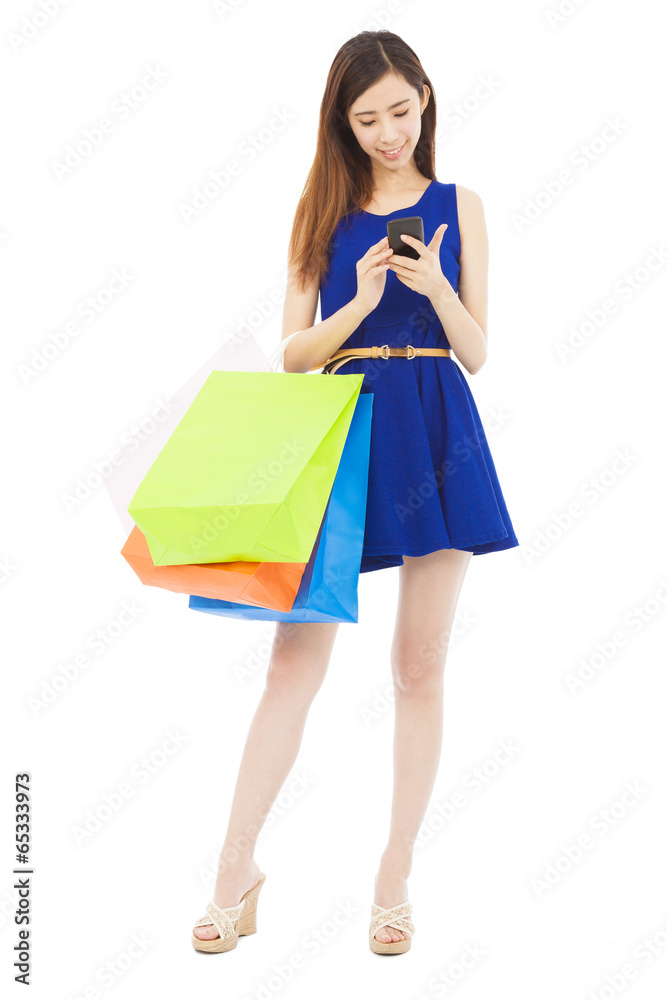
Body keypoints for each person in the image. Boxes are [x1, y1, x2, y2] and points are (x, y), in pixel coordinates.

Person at [192, 28, 519, 956]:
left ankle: (393, 875)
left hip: (437, 426)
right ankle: (233, 870)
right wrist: (361, 305)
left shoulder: (462, 205)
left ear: (424, 96)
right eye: (366, 118)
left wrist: (433, 287)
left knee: (418, 667)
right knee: (291, 666)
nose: (385, 133)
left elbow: (478, 351)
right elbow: (292, 355)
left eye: (399, 112)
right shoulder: (322, 210)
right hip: (340, 431)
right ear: (342, 120)